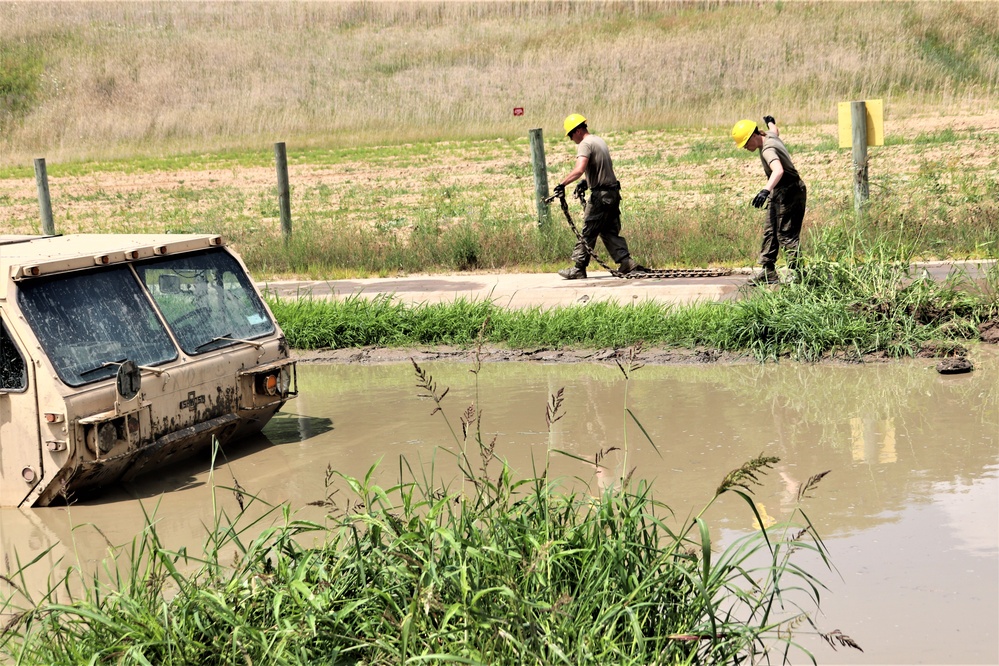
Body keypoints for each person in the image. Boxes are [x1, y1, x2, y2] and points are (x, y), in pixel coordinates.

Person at [552, 113, 643, 280]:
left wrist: (562, 184)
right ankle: (626, 263)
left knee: (588, 230)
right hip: (613, 193)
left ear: (578, 130)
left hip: (600, 196)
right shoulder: (598, 140)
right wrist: (586, 183)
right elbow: (602, 169)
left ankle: (579, 268)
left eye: (571, 134)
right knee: (609, 231)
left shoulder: (585, 144)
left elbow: (579, 169)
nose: (571, 139)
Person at [732, 115, 807, 285]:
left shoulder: (767, 149)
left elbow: (778, 170)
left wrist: (765, 190)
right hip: (780, 191)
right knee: (770, 230)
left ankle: (800, 274)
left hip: (791, 192)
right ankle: (768, 271)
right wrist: (770, 122)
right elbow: (775, 131)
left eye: (745, 143)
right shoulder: (768, 136)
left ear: (753, 136)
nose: (745, 148)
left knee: (786, 234)